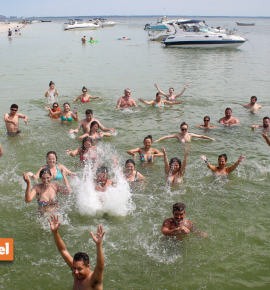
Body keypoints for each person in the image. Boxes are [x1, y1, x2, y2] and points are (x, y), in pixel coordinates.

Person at [47, 215, 105, 289]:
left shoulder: (94, 279)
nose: (76, 272)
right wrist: (55, 232)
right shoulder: (76, 272)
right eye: (74, 268)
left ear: (87, 267)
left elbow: (100, 266)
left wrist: (98, 245)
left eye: (79, 269)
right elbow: (63, 250)